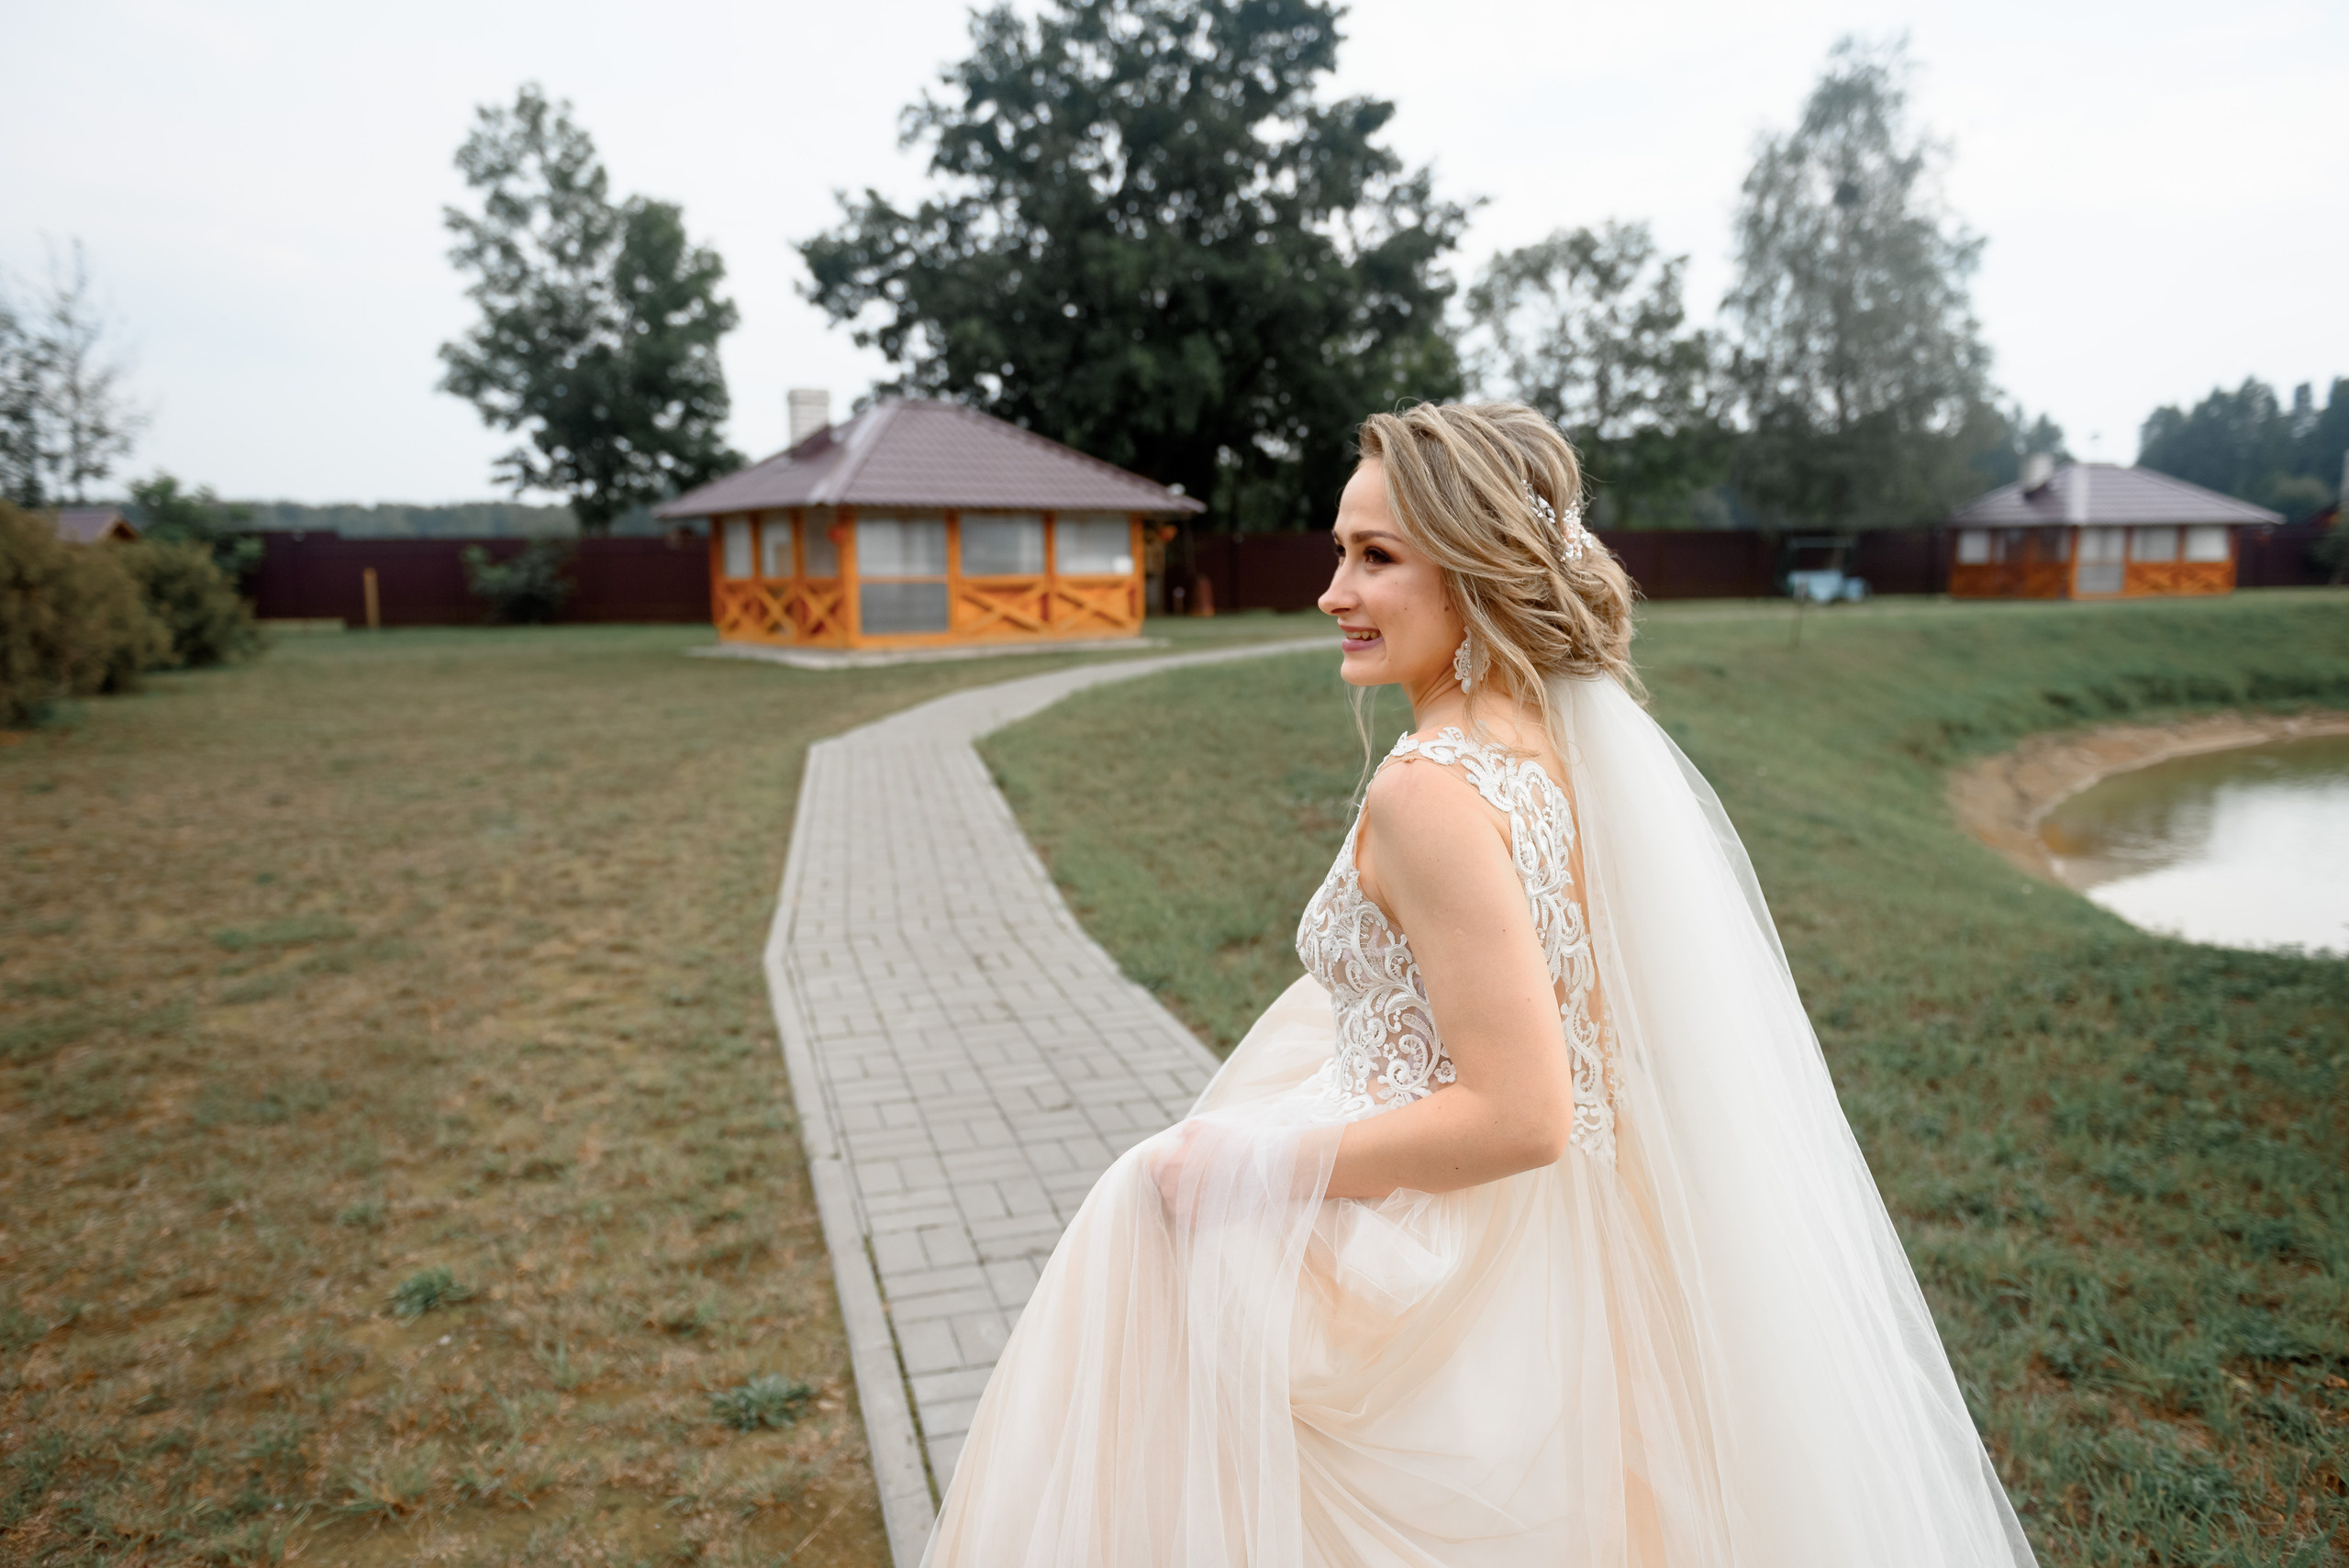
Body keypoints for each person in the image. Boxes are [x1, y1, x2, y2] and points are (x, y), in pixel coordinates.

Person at [922, 403, 2039, 1567]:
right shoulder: (1548, 742)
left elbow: (1523, 1110)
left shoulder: (1429, 791)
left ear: (1474, 572)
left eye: (1375, 557)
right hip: (1581, 1244)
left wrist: (1254, 1162)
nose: (1331, 591)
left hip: (1451, 1260)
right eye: (1338, 552)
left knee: (1147, 1234)